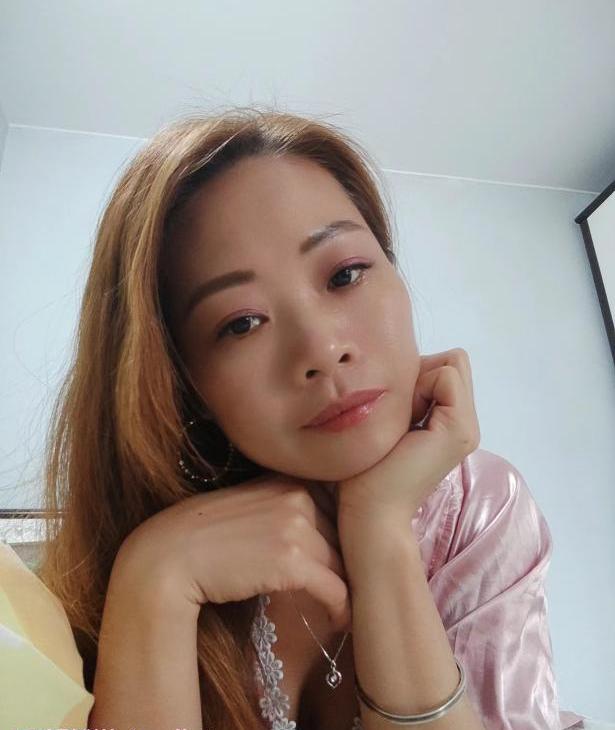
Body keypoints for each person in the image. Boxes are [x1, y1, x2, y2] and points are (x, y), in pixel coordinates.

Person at [34, 106, 585, 730]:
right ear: (180, 380)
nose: (323, 350)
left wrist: (379, 526)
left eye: (345, 274)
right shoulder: (138, 560)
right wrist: (154, 579)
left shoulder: (476, 507)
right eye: (241, 323)